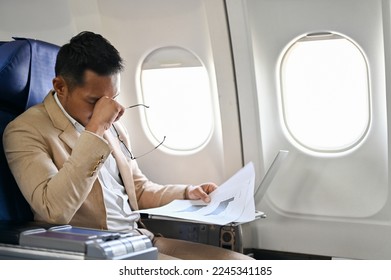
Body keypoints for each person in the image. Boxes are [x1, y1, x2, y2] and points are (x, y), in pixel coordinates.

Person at [3, 31, 253, 260]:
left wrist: (188, 192)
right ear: (60, 86)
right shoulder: (24, 130)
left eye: (113, 99)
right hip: (99, 250)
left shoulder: (112, 125)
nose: (112, 110)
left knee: (243, 265)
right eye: (96, 101)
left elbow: (139, 190)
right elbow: (53, 210)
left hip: (141, 239)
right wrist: (95, 131)